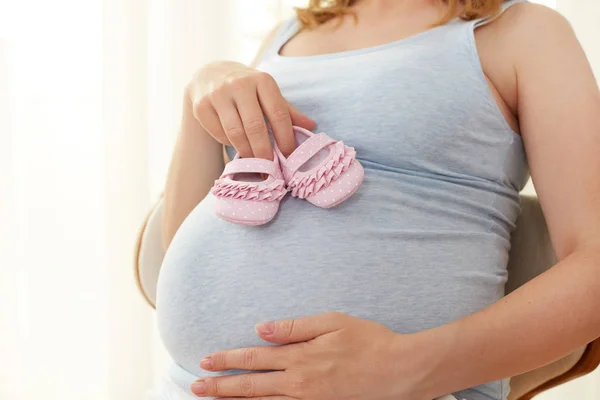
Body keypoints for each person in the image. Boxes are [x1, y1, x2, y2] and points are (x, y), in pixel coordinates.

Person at [153, 0, 600, 399]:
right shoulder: (287, 35)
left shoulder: (522, 30)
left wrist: (405, 367)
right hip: (191, 385)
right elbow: (179, 246)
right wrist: (199, 92)